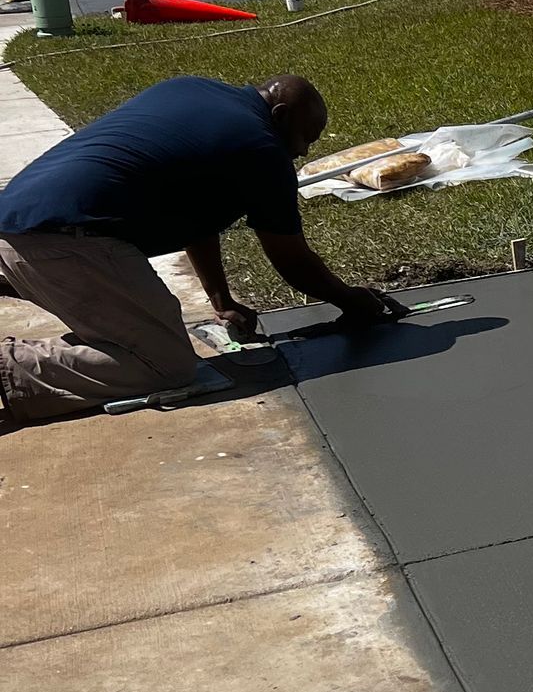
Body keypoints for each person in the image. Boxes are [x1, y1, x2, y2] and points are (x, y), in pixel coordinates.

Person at [0, 74, 399, 428]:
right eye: (305, 139)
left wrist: (220, 297)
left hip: (14, 224)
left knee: (124, 323)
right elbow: (292, 261)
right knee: (165, 364)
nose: (304, 153)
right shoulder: (261, 147)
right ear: (278, 115)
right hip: (66, 241)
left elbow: (198, 216)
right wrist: (353, 301)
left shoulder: (191, 90)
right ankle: (7, 374)